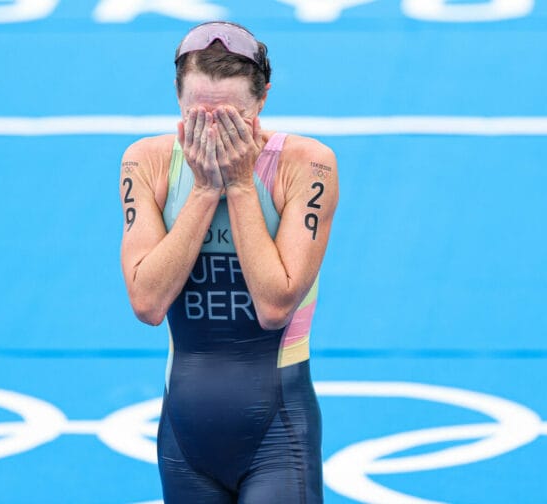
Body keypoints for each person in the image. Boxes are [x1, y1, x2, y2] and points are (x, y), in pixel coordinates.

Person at [119, 21, 338, 504]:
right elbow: (148, 302)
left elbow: (275, 304)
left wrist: (239, 184)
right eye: (199, 115)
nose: (214, 131)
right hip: (184, 438)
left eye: (233, 117)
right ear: (177, 99)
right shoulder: (148, 162)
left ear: (262, 102)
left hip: (277, 435)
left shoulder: (306, 165)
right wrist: (202, 190)